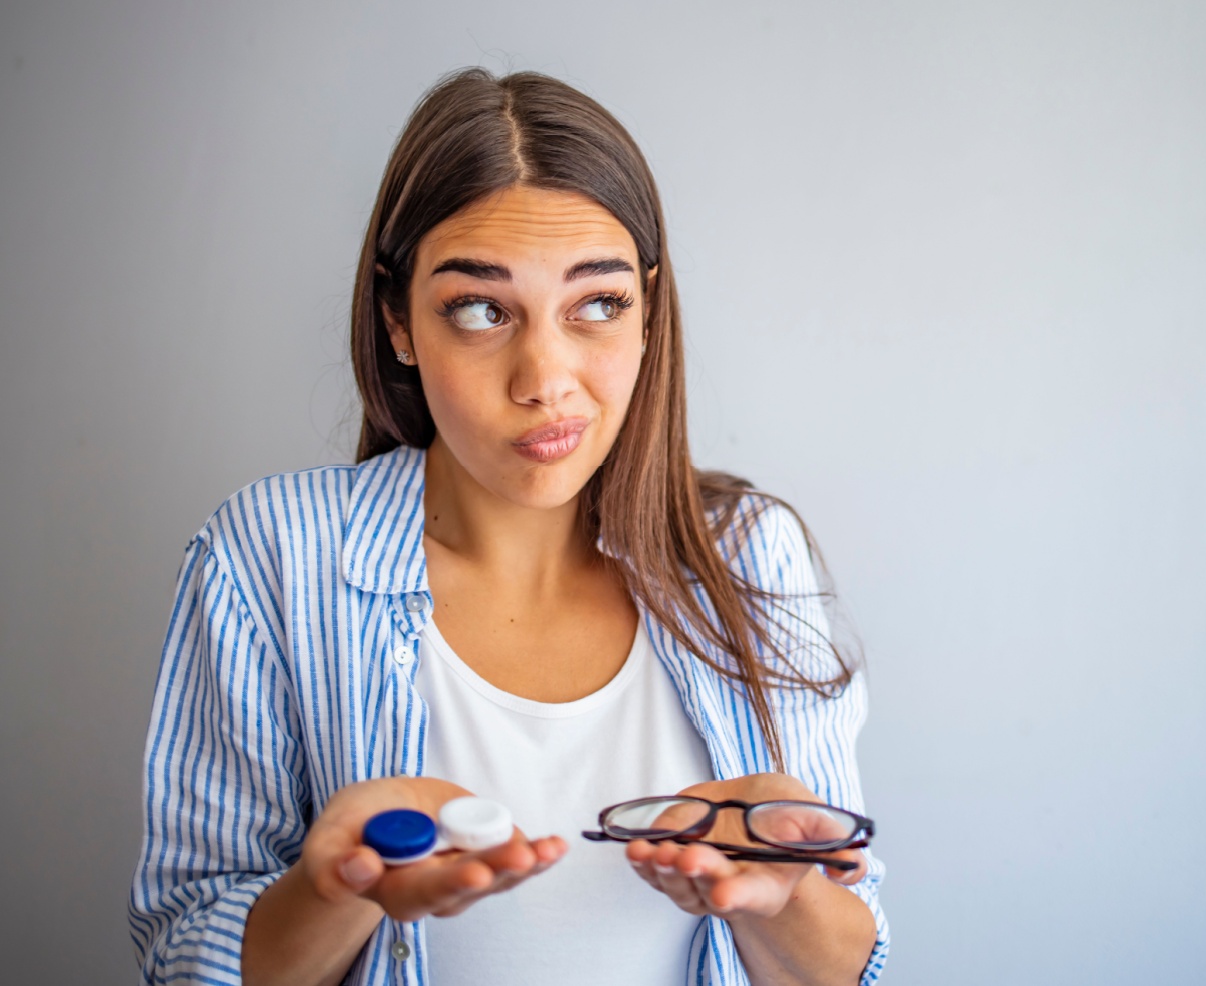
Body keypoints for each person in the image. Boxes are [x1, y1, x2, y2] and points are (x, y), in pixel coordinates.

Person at [128, 68, 888, 986]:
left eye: (597, 304)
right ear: (398, 321)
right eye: (482, 311)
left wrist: (782, 895)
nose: (545, 380)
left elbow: (849, 963)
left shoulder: (752, 556)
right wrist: (340, 892)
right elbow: (182, 956)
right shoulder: (270, 557)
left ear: (648, 313)